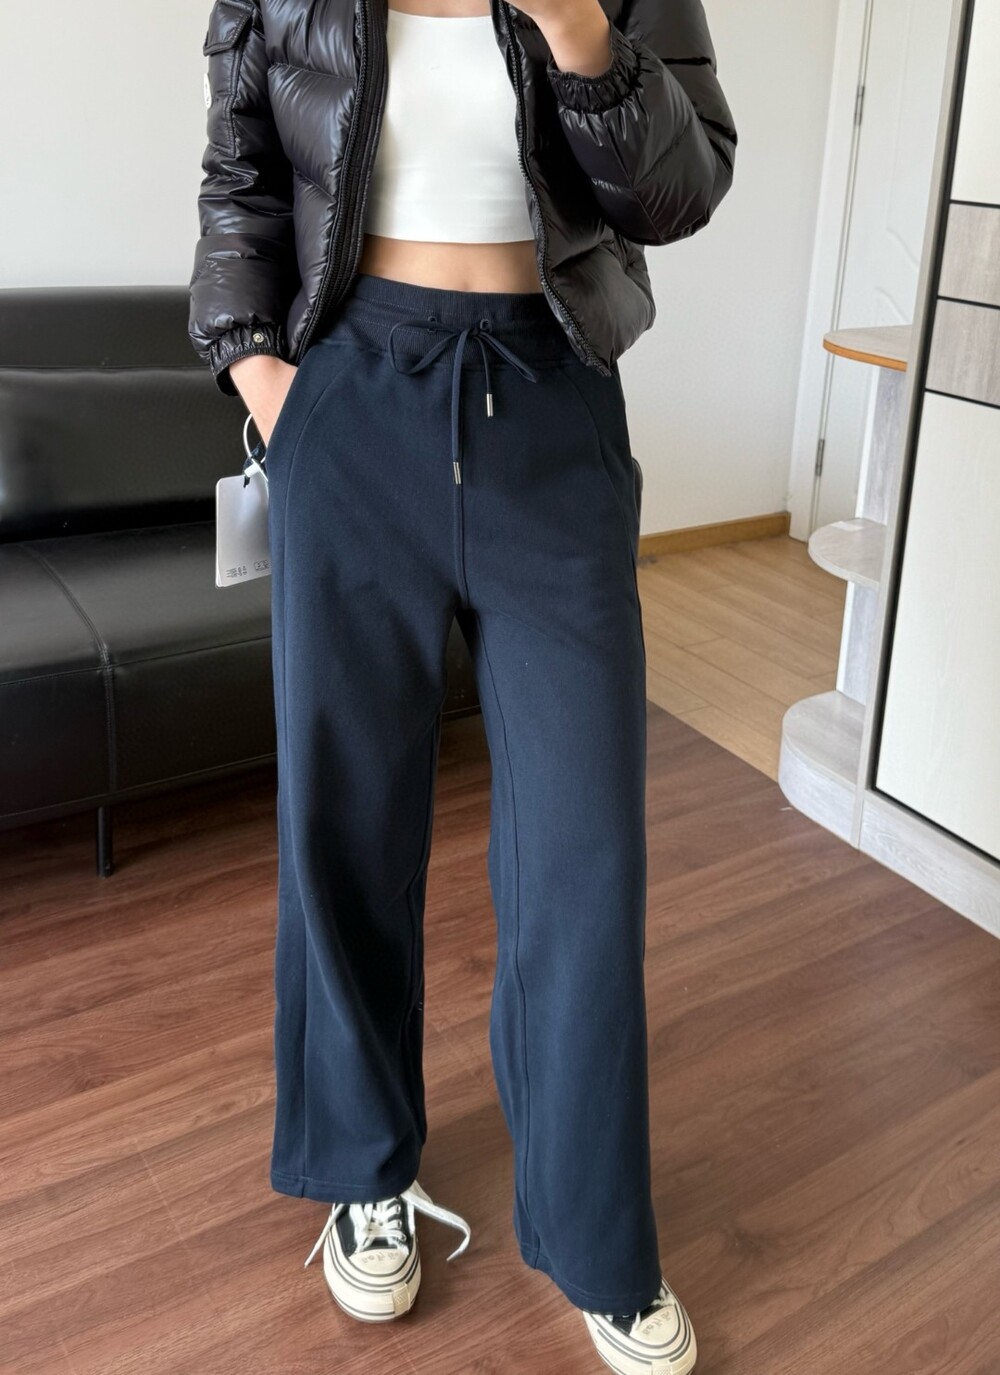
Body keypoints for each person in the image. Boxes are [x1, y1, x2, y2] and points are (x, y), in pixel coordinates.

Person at [188, 0, 736, 1369]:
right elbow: (240, 175)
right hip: (349, 401)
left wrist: (581, 34)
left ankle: (598, 1235)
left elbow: (680, 193)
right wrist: (268, 385)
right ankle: (363, 1171)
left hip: (552, 407)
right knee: (346, 822)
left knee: (584, 850)